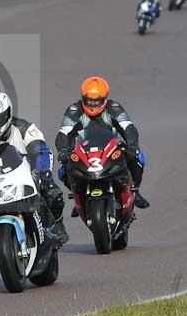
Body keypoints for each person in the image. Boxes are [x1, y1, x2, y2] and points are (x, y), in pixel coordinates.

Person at [0, 93, 69, 244]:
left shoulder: (24, 128)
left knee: (51, 190)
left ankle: (56, 223)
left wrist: (41, 172)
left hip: (25, 177)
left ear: (8, 114)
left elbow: (42, 152)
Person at [55, 76, 150, 217]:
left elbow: (128, 127)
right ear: (83, 98)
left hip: (110, 149)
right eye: (89, 100)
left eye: (96, 101)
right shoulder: (74, 110)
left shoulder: (114, 108)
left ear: (104, 98)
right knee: (63, 171)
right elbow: (63, 133)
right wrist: (63, 150)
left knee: (138, 157)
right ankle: (79, 197)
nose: (93, 104)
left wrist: (132, 145)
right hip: (83, 151)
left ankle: (134, 191)